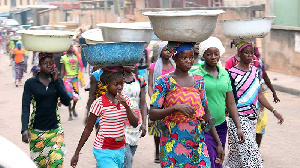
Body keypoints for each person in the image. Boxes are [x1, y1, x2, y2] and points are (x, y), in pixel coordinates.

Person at [149, 42, 225, 168]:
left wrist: (218, 143)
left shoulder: (199, 80)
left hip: (196, 140)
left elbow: (206, 113)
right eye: (184, 58)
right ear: (174, 58)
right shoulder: (164, 81)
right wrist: (175, 108)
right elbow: (153, 113)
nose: (189, 61)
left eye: (191, 58)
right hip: (172, 141)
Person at [223, 41, 284, 168]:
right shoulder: (231, 74)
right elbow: (228, 98)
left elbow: (260, 94)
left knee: (235, 158)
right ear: (239, 54)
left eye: (252, 53)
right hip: (238, 119)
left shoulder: (255, 71)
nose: (250, 56)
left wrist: (274, 111)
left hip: (252, 118)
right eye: (246, 53)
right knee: (253, 157)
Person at [190, 37, 245, 168]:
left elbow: (231, 103)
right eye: (209, 54)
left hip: (221, 124)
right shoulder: (197, 75)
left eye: (216, 54)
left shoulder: (224, 74)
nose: (213, 57)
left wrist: (238, 127)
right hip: (204, 125)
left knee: (218, 160)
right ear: (203, 55)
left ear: (220, 53)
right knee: (209, 159)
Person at [70, 67, 139, 168]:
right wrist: (77, 153)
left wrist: (126, 105)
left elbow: (135, 123)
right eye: (116, 84)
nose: (120, 87)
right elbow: (88, 129)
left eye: (121, 84)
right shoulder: (99, 103)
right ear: (107, 84)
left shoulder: (126, 101)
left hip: (121, 149)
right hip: (103, 149)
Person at [21, 53, 71, 167]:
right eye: (45, 63)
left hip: (55, 131)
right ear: (39, 64)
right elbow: (25, 107)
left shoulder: (56, 82)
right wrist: (24, 129)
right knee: (40, 165)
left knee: (57, 162)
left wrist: (57, 81)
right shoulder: (31, 83)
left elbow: (67, 102)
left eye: (51, 63)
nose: (49, 66)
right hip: (36, 132)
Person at [148, 41, 175, 163]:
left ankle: (169, 150)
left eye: (170, 50)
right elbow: (150, 85)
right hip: (158, 100)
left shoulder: (175, 66)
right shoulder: (154, 66)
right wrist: (154, 99)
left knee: (171, 127)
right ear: (160, 51)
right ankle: (157, 151)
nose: (168, 52)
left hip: (172, 100)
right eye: (165, 49)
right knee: (158, 129)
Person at [253, 46, 280, 148]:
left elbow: (265, 76)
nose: (251, 56)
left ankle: (256, 151)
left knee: (261, 123)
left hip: (261, 94)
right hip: (249, 97)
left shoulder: (260, 63)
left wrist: (273, 92)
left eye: (252, 53)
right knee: (250, 124)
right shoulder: (241, 66)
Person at [60, 45, 82, 120]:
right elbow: (62, 69)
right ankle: (70, 114)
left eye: (72, 47)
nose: (71, 48)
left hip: (75, 79)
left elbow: (79, 68)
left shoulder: (76, 57)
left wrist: (81, 79)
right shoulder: (63, 58)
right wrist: (61, 79)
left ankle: (73, 108)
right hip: (67, 79)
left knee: (76, 97)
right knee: (69, 97)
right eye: (69, 47)